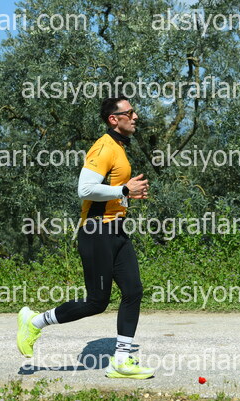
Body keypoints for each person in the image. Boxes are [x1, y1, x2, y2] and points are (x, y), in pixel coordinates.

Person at [17, 96, 154, 379]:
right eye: (130, 112)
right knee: (96, 302)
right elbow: (85, 189)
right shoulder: (104, 147)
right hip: (96, 232)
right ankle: (34, 322)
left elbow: (110, 191)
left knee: (133, 291)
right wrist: (123, 191)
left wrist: (126, 196)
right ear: (114, 119)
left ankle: (121, 361)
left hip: (116, 230)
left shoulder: (119, 147)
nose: (136, 116)